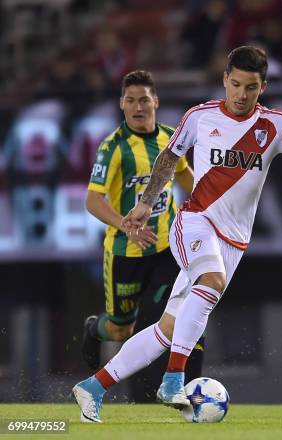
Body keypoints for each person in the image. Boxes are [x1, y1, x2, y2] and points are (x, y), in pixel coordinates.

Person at [72, 46, 282, 423]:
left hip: (233, 241)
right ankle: (173, 380)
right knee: (210, 282)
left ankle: (93, 387)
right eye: (236, 84)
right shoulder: (200, 116)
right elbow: (169, 158)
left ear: (264, 87)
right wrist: (146, 202)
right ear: (225, 79)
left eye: (251, 88)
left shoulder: (276, 126)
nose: (241, 95)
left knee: (166, 329)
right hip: (195, 220)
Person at [81, 70, 205, 389]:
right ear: (122, 105)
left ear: (156, 102)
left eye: (144, 100)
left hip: (166, 248)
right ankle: (95, 329)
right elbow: (93, 200)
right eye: (131, 101)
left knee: (174, 312)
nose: (138, 107)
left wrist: (212, 205)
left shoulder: (170, 138)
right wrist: (125, 224)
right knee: (121, 329)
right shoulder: (113, 148)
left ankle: (185, 387)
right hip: (125, 253)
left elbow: (185, 176)